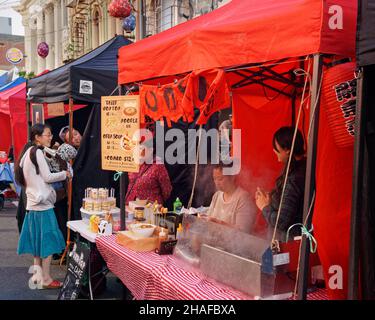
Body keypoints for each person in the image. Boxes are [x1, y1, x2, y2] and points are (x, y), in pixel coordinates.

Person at [15, 124, 71, 289]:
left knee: (37, 243)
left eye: (50, 134)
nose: (50, 137)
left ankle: (37, 277)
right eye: (47, 134)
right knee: (48, 242)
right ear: (37, 137)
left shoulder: (27, 153)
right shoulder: (37, 151)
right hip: (42, 205)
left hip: (33, 205)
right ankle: (46, 279)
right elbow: (47, 177)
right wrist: (64, 174)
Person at [255, 126, 307, 241]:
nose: (274, 150)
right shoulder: (300, 168)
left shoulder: (295, 177)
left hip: (289, 242)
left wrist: (264, 206)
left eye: (276, 147)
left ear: (287, 150)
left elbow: (281, 221)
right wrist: (271, 199)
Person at [206, 163, 256, 234]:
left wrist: (219, 223)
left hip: (233, 244)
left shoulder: (243, 198)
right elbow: (208, 218)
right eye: (215, 179)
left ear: (232, 177)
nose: (217, 183)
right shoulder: (216, 195)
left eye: (220, 179)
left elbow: (243, 232)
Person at [125, 138, 172, 206]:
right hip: (130, 207)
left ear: (150, 150)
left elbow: (167, 190)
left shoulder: (158, 166)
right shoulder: (134, 162)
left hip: (150, 208)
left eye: (142, 148)